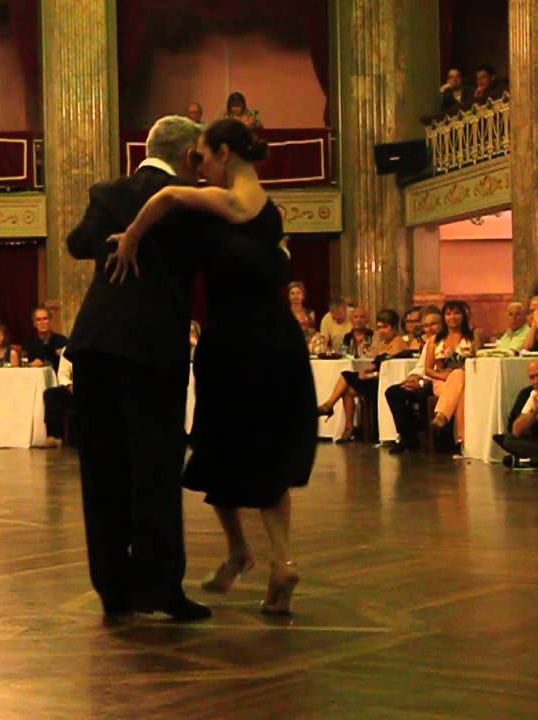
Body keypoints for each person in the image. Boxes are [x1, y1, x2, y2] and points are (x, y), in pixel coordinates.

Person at [106, 116, 317, 618]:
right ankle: (278, 560)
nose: (196, 167)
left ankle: (240, 550)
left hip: (233, 341)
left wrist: (132, 237)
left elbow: (166, 199)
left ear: (224, 153)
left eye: (201, 157)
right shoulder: (271, 213)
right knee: (268, 451)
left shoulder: (224, 201)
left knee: (218, 446)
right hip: (282, 342)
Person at [63, 114, 216, 621]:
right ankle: (162, 589)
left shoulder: (108, 190)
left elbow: (78, 244)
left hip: (94, 345)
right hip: (152, 347)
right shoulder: (191, 199)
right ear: (190, 153)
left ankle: (114, 589)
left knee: (102, 470)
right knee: (155, 466)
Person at [317, 309, 408, 441]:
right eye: (379, 327)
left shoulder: (398, 343)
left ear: (394, 327)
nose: (381, 331)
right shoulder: (383, 343)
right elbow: (374, 364)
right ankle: (348, 427)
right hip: (376, 379)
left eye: (385, 327)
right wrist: (365, 372)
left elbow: (390, 370)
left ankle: (329, 405)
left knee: (346, 375)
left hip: (385, 383)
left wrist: (370, 375)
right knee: (347, 390)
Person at [386, 309, 445, 454]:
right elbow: (420, 366)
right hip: (424, 379)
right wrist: (413, 377)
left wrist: (423, 381)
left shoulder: (445, 341)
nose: (429, 329)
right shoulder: (429, 343)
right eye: (426, 325)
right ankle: (408, 437)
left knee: (422, 393)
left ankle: (436, 437)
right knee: (394, 392)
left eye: (434, 324)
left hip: (439, 382)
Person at [423, 300, 476, 446]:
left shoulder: (472, 336)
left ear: (464, 316)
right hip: (441, 381)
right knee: (459, 390)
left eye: (457, 313)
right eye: (448, 314)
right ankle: (463, 441)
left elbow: (478, 358)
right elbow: (427, 369)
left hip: (467, 379)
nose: (452, 317)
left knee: (459, 376)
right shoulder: (435, 339)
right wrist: (442, 375)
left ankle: (441, 414)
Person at [493, 358, 538, 470]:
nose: (536, 381)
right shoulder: (534, 394)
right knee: (508, 440)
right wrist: (534, 410)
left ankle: (528, 461)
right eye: (532, 377)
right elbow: (516, 431)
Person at [41, 347, 75, 448]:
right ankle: (54, 436)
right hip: (72, 389)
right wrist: (69, 385)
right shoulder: (68, 349)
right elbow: (62, 374)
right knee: (50, 394)